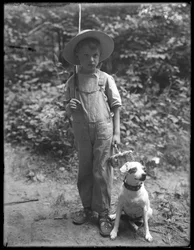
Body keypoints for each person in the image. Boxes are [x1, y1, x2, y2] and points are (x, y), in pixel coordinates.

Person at [63, 30, 122, 237]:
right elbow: (67, 109)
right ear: (78, 57)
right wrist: (70, 106)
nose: (91, 59)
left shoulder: (105, 79)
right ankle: (87, 208)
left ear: (100, 56)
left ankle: (104, 213)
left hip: (104, 129)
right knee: (85, 169)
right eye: (86, 55)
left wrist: (117, 133)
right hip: (81, 130)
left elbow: (115, 106)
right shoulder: (73, 81)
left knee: (102, 170)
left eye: (95, 55)